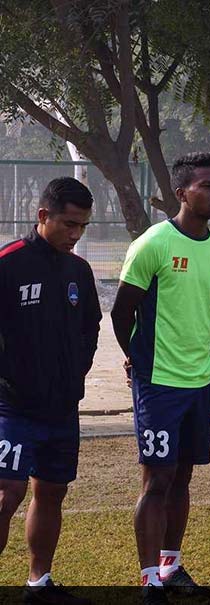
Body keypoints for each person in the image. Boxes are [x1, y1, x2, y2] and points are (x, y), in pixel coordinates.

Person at [111, 153, 210, 602]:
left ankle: (171, 565)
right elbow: (121, 313)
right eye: (207, 186)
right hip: (158, 383)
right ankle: (148, 580)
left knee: (183, 478)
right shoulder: (153, 244)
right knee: (156, 480)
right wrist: (136, 359)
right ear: (182, 193)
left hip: (199, 384)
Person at [0, 177, 101, 604]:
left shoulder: (78, 269)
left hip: (62, 408)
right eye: (68, 224)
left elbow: (90, 326)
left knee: (51, 492)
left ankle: (38, 584)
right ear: (43, 216)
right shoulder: (9, 262)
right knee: (8, 492)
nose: (75, 235)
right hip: (13, 406)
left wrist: (76, 371)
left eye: (82, 227)